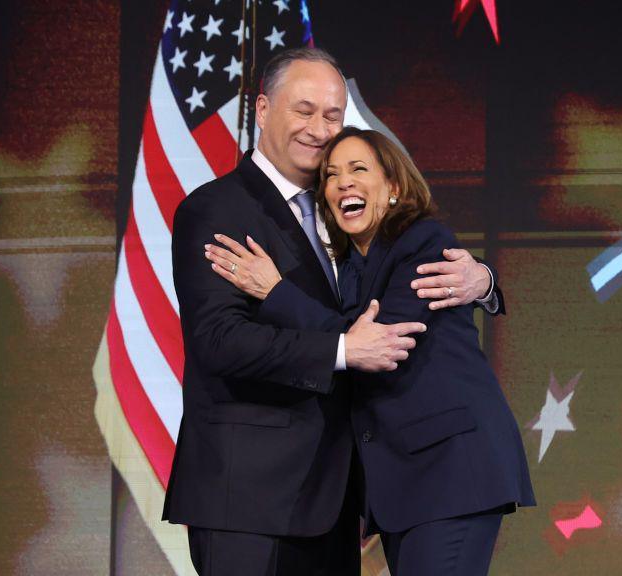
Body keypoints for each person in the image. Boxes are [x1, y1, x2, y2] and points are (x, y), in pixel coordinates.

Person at [162, 48, 503, 575]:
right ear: (263, 108)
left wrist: (481, 280)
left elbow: (401, 281)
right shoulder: (217, 208)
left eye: (332, 115)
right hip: (249, 499)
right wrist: (345, 350)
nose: (319, 130)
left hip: (333, 503)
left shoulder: (343, 217)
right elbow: (220, 340)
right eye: (304, 110)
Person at [206, 127, 535, 576]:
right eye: (331, 175)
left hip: (451, 471)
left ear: (394, 187)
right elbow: (347, 340)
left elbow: (380, 343)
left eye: (359, 169)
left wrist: (276, 292)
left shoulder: (422, 239)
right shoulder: (350, 267)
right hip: (409, 485)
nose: (342, 182)